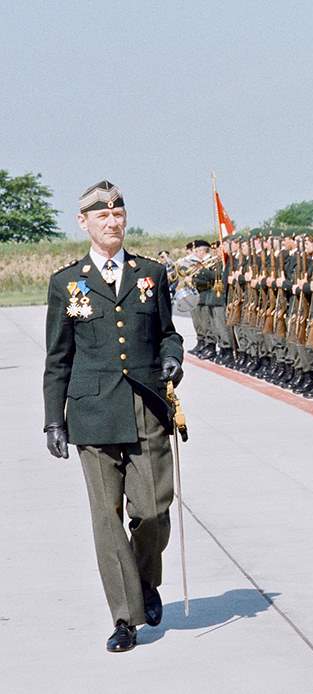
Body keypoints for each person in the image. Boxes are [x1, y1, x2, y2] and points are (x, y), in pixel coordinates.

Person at [42, 180, 184, 652]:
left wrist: (173, 358)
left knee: (153, 512)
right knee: (107, 518)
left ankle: (145, 580)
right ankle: (125, 617)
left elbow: (168, 333)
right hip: (92, 413)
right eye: (102, 216)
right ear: (84, 222)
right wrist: (54, 419)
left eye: (118, 214)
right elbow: (58, 357)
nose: (113, 222)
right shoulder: (66, 283)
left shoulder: (152, 274)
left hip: (145, 408)